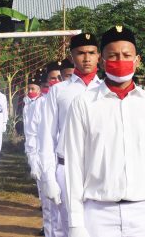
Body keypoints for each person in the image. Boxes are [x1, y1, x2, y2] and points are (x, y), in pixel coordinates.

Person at [63, 26, 145, 237]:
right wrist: (76, 223)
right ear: (102, 60)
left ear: (138, 60)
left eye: (127, 55)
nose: (120, 60)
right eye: (113, 55)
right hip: (98, 213)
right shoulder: (83, 104)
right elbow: (74, 167)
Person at [38, 33, 103, 237]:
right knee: (65, 228)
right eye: (81, 53)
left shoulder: (105, 90)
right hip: (66, 169)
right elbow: (46, 136)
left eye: (91, 52)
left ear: (99, 56)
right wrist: (48, 176)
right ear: (71, 56)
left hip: (98, 169)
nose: (86, 58)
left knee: (96, 227)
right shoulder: (59, 91)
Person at [23, 76, 48, 236]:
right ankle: (47, 226)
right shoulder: (34, 105)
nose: (31, 91)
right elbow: (30, 129)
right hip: (39, 148)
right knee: (45, 190)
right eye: (29, 89)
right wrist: (31, 154)